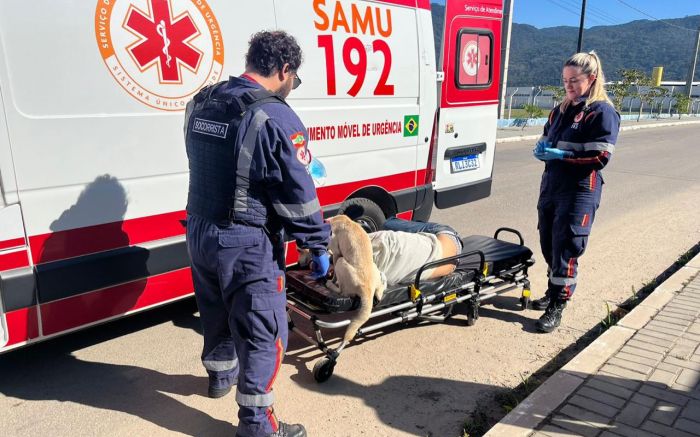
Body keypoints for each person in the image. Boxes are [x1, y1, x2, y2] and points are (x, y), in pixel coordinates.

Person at [184, 31, 330, 437]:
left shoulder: (202, 101)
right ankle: (258, 427)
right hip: (245, 243)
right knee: (264, 331)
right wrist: (317, 242)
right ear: (284, 69)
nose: (292, 87)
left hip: (199, 227)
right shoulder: (275, 115)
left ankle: (218, 376)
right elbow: (298, 195)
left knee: (215, 311)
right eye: (294, 79)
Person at [531, 51, 620, 333]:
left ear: (592, 78)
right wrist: (543, 150)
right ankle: (552, 289)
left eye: (574, 81)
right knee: (548, 243)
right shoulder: (560, 110)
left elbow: (600, 157)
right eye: (565, 81)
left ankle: (558, 304)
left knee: (567, 246)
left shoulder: (602, 112)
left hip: (579, 189)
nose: (568, 86)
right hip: (552, 186)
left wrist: (561, 155)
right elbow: (547, 138)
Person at [369, 217, 463, 287]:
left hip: (445, 254)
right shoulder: (382, 241)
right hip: (449, 243)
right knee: (388, 223)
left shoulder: (375, 271)